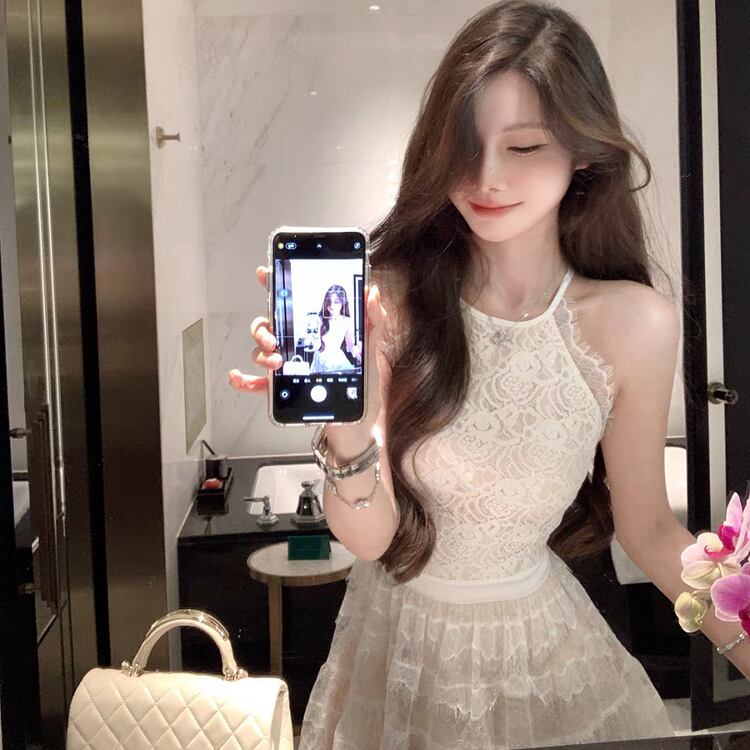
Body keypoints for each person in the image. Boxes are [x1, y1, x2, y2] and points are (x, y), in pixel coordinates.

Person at [229, 1, 750, 746]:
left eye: (524, 146)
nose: (485, 176)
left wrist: (741, 635)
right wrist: (348, 431)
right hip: (399, 650)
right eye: (465, 145)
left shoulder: (634, 323)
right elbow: (371, 542)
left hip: (542, 650)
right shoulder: (387, 300)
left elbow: (648, 529)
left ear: (583, 153)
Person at [310, 285, 362, 374]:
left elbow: (350, 346)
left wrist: (359, 352)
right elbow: (316, 345)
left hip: (337, 360)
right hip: (320, 360)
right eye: (329, 302)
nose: (331, 306)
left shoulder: (347, 321)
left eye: (336, 302)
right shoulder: (320, 319)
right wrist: (313, 337)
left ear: (343, 302)